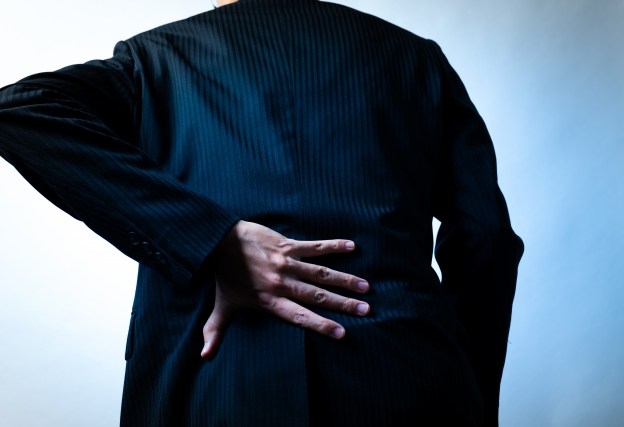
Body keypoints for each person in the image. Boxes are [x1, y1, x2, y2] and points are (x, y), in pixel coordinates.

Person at [0, 0, 524, 425]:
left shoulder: (155, 59)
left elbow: (20, 109)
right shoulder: (415, 59)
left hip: (214, 385)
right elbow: (487, 241)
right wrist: (471, 392)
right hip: (409, 378)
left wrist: (209, 239)